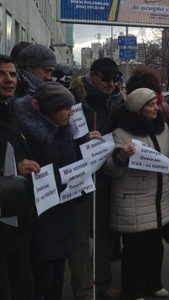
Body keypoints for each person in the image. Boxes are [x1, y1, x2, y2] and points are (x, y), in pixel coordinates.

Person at [13, 81, 102, 300]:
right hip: (41, 219)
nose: (71, 113)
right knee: (41, 279)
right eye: (65, 108)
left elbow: (70, 166)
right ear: (49, 110)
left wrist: (82, 186)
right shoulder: (28, 137)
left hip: (64, 215)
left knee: (56, 280)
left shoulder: (65, 132)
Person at [103, 88, 169, 300]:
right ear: (138, 109)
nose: (157, 107)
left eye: (156, 103)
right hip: (132, 199)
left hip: (159, 198)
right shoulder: (120, 133)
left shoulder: (162, 128)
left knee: (156, 246)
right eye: (151, 104)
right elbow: (111, 170)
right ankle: (134, 290)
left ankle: (154, 283)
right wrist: (122, 156)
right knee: (134, 250)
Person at [69, 57, 125, 300]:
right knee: (81, 236)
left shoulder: (119, 100)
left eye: (115, 79)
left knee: (104, 231)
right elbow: (61, 136)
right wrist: (82, 142)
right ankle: (83, 290)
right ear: (93, 75)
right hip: (82, 175)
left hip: (109, 172)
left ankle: (101, 282)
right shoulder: (76, 101)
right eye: (106, 79)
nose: (111, 84)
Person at [0, 54, 40, 300]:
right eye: (1, 74)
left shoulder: (10, 115)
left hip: (17, 227)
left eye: (12, 74)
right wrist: (13, 170)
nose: (8, 80)